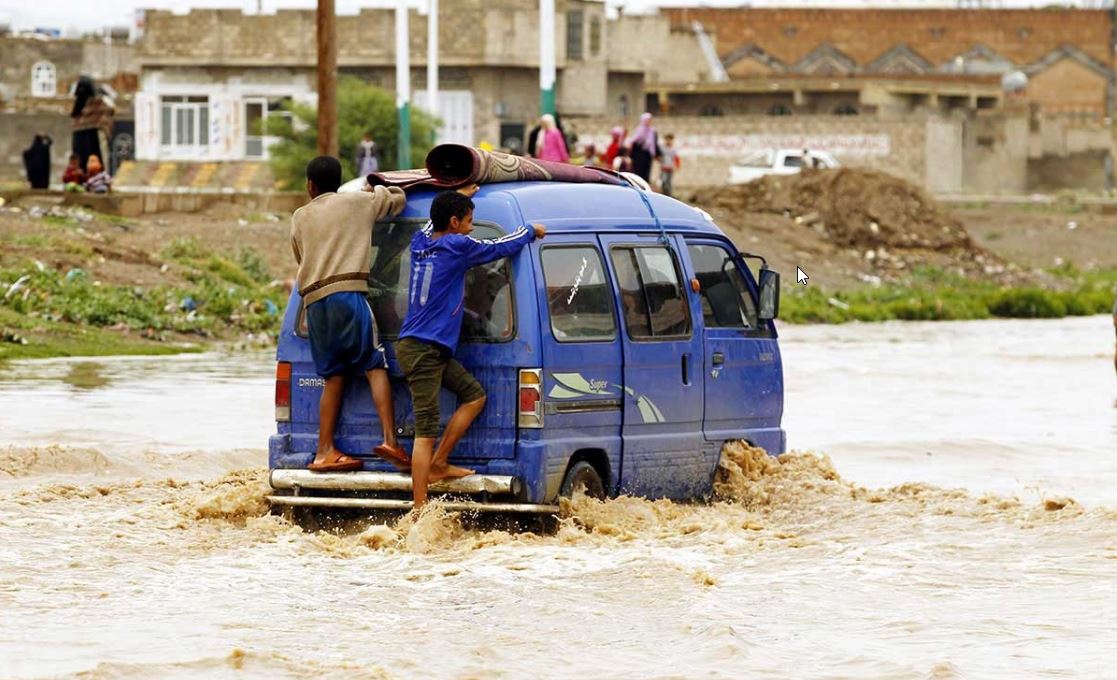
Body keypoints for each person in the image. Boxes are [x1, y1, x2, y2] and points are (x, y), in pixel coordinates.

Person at [395, 188, 546, 508]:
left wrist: (457, 194)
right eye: (469, 220)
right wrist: (530, 231)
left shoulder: (420, 242)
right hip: (424, 349)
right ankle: (419, 509)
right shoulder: (457, 245)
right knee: (425, 430)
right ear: (453, 222)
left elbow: (427, 224)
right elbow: (500, 247)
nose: (472, 226)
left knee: (474, 395)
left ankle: (440, 462)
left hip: (425, 347)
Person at [291, 155, 411, 473]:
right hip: (347, 294)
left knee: (334, 376)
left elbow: (299, 255)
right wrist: (377, 187)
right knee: (374, 364)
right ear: (339, 181)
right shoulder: (358, 203)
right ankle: (390, 440)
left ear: (310, 186)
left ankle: (324, 451)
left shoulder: (300, 216)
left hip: (314, 303)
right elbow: (396, 200)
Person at [71, 76, 115, 171]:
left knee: (93, 160)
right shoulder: (80, 103)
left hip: (91, 134)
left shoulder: (97, 102)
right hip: (82, 134)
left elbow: (108, 112)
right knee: (82, 159)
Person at [625, 112, 661, 182]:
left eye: (650, 120)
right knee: (638, 173)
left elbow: (654, 143)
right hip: (638, 155)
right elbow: (633, 143)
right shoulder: (639, 130)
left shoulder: (653, 131)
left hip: (648, 155)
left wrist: (658, 154)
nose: (649, 122)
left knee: (646, 173)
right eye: (647, 120)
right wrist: (630, 155)